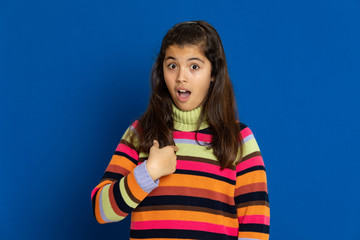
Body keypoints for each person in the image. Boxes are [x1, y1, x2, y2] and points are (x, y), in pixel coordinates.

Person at [91, 20, 270, 240]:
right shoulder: (140, 133)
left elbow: (255, 228)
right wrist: (148, 173)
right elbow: (101, 210)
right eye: (172, 65)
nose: (180, 77)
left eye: (194, 66)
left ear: (213, 72)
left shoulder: (239, 140)